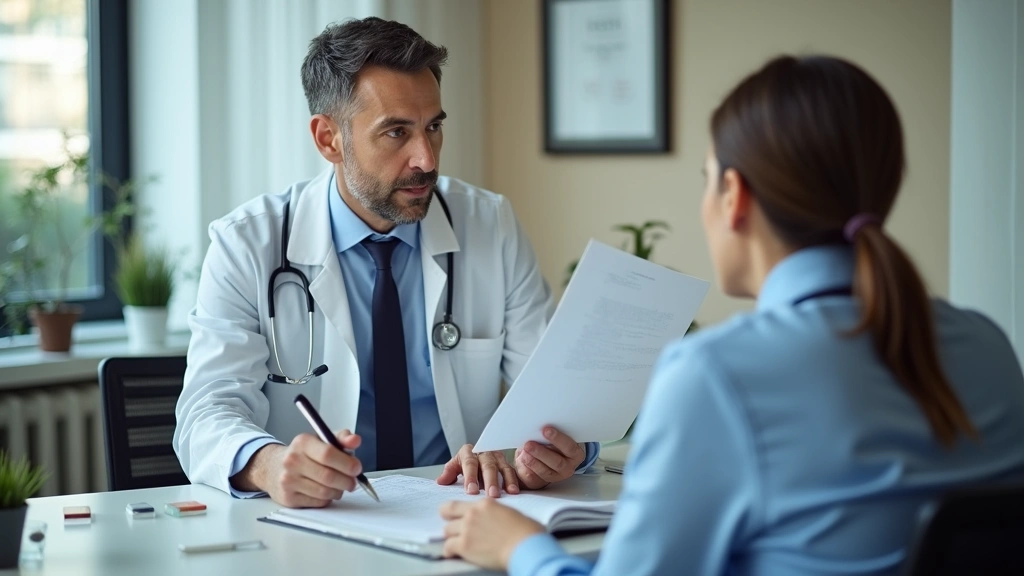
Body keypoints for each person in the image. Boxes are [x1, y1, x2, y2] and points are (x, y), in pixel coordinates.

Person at [439, 55, 1024, 575]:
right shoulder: (989, 348)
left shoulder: (717, 376)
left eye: (706, 179)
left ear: (734, 196)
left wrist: (521, 550)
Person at [173, 17, 599, 508]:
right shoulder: (248, 241)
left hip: (458, 513)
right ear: (329, 139)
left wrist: (560, 450)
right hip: (321, 520)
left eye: (433, 127)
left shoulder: (490, 223)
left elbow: (551, 394)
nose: (426, 159)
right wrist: (269, 464)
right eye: (396, 132)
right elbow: (206, 413)